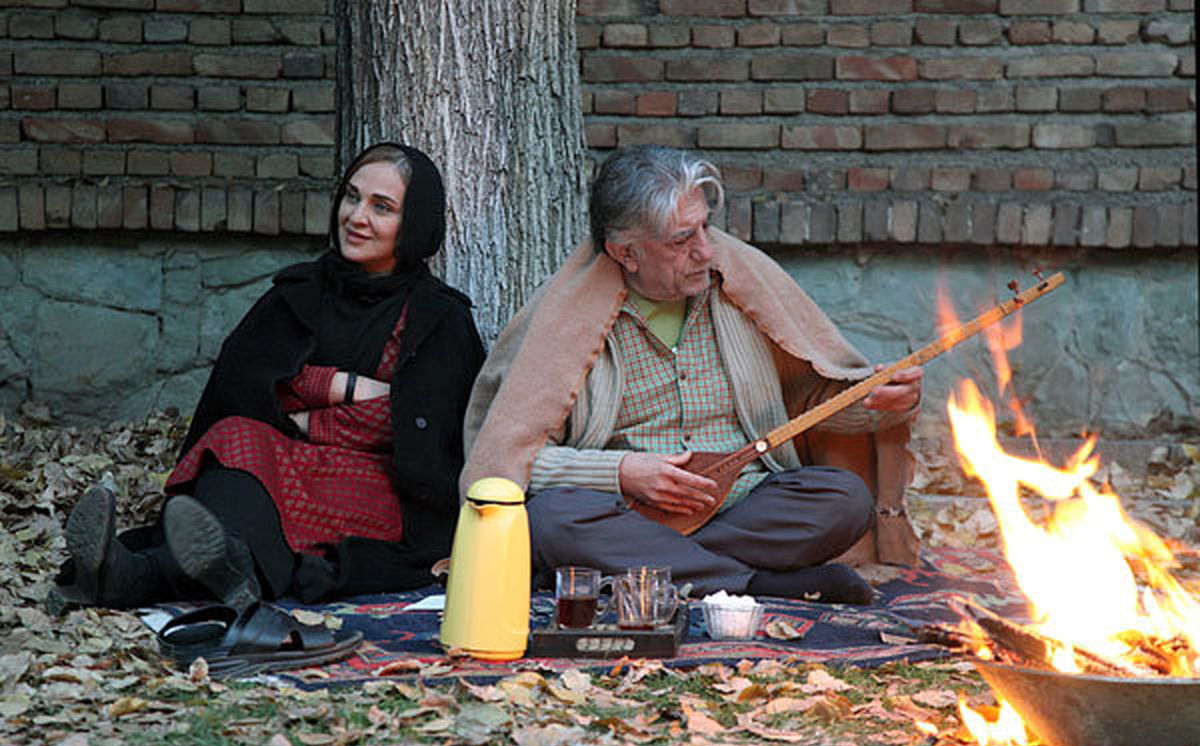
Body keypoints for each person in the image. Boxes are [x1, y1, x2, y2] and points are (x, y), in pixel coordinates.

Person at [462, 145, 921, 605]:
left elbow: (809, 402)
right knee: (550, 520)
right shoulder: (563, 320)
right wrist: (621, 472)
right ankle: (757, 585)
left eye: (706, 227)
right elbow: (511, 462)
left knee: (842, 498)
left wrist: (873, 405)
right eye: (681, 240)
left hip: (744, 507)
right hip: (626, 513)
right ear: (626, 252)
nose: (705, 250)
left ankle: (655, 571)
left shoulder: (740, 286)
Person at [51, 143, 486, 622]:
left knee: (252, 492)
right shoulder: (298, 293)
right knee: (235, 439)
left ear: (414, 224)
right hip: (280, 460)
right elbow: (253, 389)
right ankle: (221, 570)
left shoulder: (438, 319)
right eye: (351, 198)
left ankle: (136, 575)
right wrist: (342, 386)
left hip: (379, 487)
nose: (357, 217)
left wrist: (303, 415)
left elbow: (405, 427)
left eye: (381, 207)